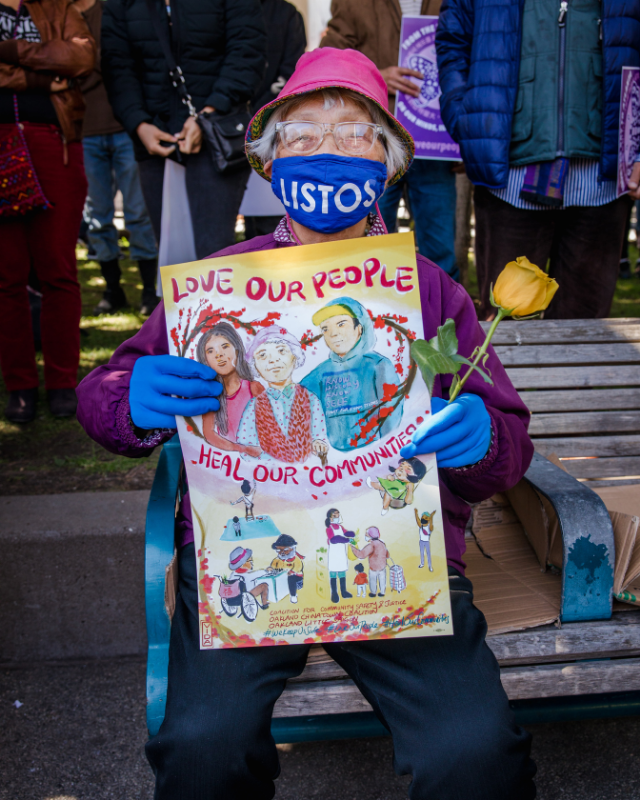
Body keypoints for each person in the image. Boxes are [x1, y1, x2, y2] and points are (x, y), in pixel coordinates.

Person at [77, 48, 537, 799]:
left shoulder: (426, 288)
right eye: (303, 134)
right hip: (244, 566)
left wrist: (484, 438)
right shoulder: (218, 285)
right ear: (268, 159)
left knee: (474, 748)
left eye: (354, 133)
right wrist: (126, 397)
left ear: (387, 164)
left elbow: (508, 444)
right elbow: (106, 389)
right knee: (202, 749)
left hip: (396, 563)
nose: (327, 149)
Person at [436, 0, 640, 319]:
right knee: (504, 330)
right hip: (508, 180)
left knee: (583, 336)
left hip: (602, 182)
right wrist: (467, 118)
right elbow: (453, 41)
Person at [100, 0, 266, 260]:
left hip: (216, 137)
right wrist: (139, 124)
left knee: (213, 255)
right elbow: (117, 66)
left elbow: (247, 51)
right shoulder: (121, 5)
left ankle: (218, 302)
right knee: (171, 257)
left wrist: (209, 113)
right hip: (153, 139)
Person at [0, 0, 95, 423]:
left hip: (55, 148)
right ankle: (18, 385)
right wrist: (44, 76)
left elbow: (79, 57)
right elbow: (59, 64)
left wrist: (11, 55)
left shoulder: (57, 7)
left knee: (59, 270)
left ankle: (61, 382)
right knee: (6, 276)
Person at [320, 0, 459, 280]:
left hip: (434, 143)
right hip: (371, 143)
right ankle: (370, 317)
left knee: (441, 250)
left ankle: (445, 319)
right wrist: (376, 76)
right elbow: (329, 59)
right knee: (369, 247)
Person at [74, 0, 158, 317]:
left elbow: (114, 62)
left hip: (124, 127)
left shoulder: (111, 9)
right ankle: (114, 290)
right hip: (83, 130)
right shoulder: (59, 16)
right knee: (97, 215)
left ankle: (149, 291)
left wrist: (79, 64)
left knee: (138, 213)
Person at [300, 296, 402, 451]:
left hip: (373, 454)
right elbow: (296, 401)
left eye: (341, 324)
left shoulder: (378, 365)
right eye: (325, 329)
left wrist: (388, 453)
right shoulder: (321, 372)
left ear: (359, 328)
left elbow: (391, 416)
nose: (333, 334)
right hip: (334, 460)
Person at [242, 0, 306, 240]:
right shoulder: (223, 9)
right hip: (229, 122)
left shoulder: (287, 14)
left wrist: (263, 111)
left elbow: (292, 68)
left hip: (270, 126)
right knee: (247, 221)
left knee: (272, 213)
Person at [236, 326, 329, 464]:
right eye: (262, 355)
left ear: (295, 357)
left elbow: (319, 435)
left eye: (281, 351)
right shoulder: (253, 407)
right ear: (255, 366)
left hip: (306, 471)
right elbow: (245, 448)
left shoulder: (311, 399)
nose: (273, 360)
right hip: (269, 474)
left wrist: (318, 444)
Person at [197, 322, 264, 457]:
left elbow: (271, 426)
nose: (219, 355)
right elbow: (209, 434)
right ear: (205, 360)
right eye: (210, 351)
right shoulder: (210, 396)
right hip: (227, 464)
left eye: (225, 347)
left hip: (260, 461)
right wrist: (242, 449)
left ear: (237, 350)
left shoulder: (254, 388)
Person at [325, 507, 356, 603]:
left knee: (342, 573)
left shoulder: (340, 527)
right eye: (334, 516)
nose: (337, 517)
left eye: (337, 515)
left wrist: (352, 534)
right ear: (330, 518)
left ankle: (343, 591)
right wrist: (347, 540)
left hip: (342, 554)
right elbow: (334, 539)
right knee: (334, 574)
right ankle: (334, 593)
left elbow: (346, 532)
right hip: (334, 554)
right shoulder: (329, 528)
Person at [351, 526, 389, 597]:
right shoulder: (382, 543)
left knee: (373, 581)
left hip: (374, 568)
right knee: (382, 580)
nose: (365, 536)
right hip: (382, 567)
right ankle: (382, 592)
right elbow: (387, 554)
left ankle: (373, 593)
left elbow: (361, 554)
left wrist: (353, 548)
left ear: (371, 536)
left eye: (366, 535)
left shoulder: (372, 545)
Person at [269, 533, 304, 604]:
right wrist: (270, 569)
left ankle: (293, 595)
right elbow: (272, 566)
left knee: (291, 578)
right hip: (282, 578)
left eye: (285, 550)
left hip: (296, 580)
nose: (282, 553)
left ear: (292, 548)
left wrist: (291, 572)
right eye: (279, 550)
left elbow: (298, 569)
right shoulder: (277, 560)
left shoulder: (296, 560)